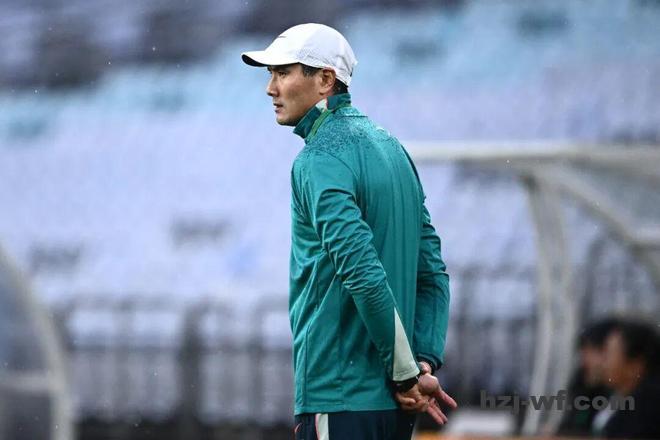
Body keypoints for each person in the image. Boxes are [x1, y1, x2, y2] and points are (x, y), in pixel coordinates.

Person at [242, 23, 456, 439]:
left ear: (325, 80)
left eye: (283, 72)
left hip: (341, 395)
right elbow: (432, 275)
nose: (270, 88)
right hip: (395, 406)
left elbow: (361, 272)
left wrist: (405, 373)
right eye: (270, 74)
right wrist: (423, 362)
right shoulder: (393, 149)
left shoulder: (318, 159)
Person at [594, 319, 660, 438]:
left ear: (635, 365)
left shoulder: (647, 407)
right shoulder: (616, 396)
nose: (602, 362)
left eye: (608, 354)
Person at [556, 317, 619, 436]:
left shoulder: (630, 397)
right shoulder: (583, 385)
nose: (585, 362)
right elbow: (573, 423)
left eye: (590, 352)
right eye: (583, 353)